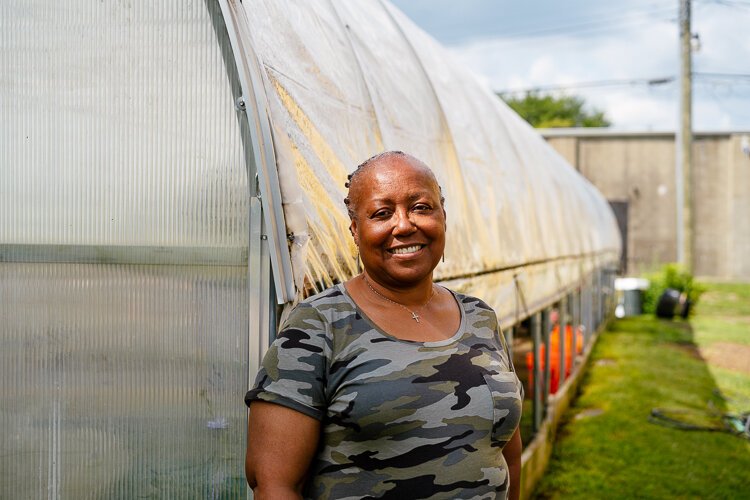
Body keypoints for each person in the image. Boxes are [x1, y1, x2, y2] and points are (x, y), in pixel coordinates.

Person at [245, 151, 523, 499]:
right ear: (356, 230)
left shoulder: (481, 318)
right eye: (382, 213)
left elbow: (506, 453)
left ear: (443, 217)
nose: (405, 225)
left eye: (422, 207)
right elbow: (274, 484)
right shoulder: (318, 327)